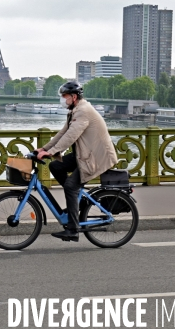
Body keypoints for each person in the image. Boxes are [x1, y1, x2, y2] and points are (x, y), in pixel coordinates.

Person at [36, 81, 118, 242]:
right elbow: (62, 133)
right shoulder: (75, 110)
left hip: (95, 157)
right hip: (84, 154)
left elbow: (71, 136)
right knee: (55, 166)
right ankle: (77, 201)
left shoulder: (83, 112)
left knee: (70, 186)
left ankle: (73, 229)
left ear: (74, 97)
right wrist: (43, 149)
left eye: (64, 96)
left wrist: (51, 152)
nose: (62, 99)